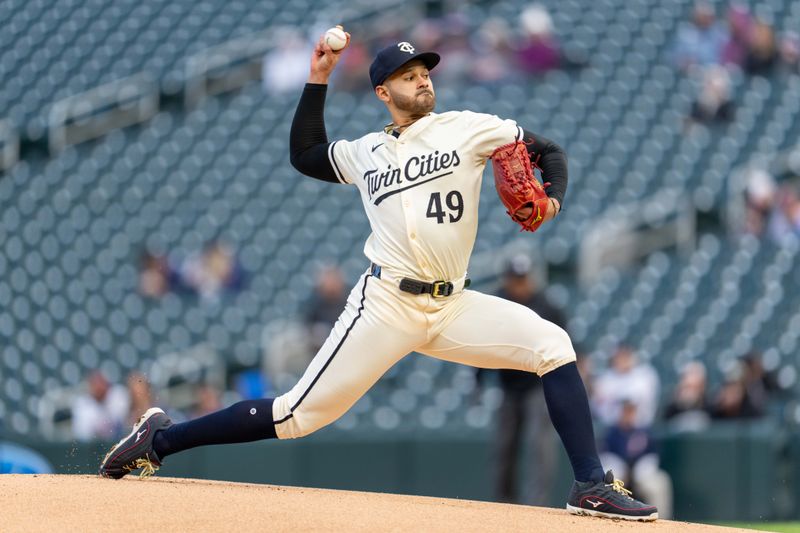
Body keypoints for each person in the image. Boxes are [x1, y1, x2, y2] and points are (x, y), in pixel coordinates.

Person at [99, 32, 656, 521]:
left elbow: (549, 150)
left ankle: (590, 485)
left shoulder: (471, 129)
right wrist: (317, 77)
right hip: (386, 304)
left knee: (551, 343)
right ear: (383, 93)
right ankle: (160, 440)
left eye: (424, 74)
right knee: (296, 415)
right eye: (408, 78)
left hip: (453, 304)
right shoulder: (365, 151)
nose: (422, 83)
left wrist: (552, 200)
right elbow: (305, 154)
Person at [479, 254, 563, 506]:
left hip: (538, 385)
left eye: (523, 279)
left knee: (539, 445)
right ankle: (505, 501)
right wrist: (478, 380)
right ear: (506, 280)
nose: (520, 284)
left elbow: (564, 347)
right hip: (508, 385)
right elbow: (482, 344)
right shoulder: (497, 303)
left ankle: (537, 503)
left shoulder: (547, 306)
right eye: (515, 279)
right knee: (505, 446)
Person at [601, 401, 673, 519]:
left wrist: (642, 468)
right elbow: (606, 456)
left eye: (632, 411)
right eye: (626, 411)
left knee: (660, 482)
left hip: (641, 475)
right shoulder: (612, 432)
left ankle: (662, 523)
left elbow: (653, 455)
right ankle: (604, 520)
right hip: (619, 476)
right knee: (607, 482)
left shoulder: (645, 432)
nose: (629, 415)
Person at [592, 345, 661, 428]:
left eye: (625, 356)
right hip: (612, 428)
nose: (622, 361)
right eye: (619, 357)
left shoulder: (645, 375)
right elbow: (598, 407)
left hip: (641, 426)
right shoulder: (605, 379)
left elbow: (648, 404)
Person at [71, 370, 129, 442]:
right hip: (93, 447)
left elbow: (122, 422)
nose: (99, 387)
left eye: (101, 383)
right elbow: (82, 434)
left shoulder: (118, 394)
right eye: (95, 384)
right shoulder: (83, 403)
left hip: (119, 441)